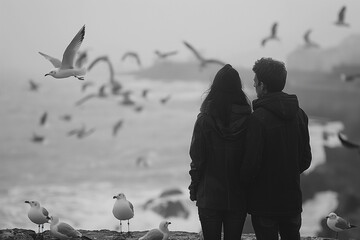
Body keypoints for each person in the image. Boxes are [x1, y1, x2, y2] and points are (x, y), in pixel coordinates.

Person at [239, 57, 312, 240]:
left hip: (264, 204)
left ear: (263, 85)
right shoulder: (300, 114)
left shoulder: (257, 119)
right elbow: (305, 160)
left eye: (255, 82)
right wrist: (287, 173)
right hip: (292, 200)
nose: (254, 86)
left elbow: (250, 166)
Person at [188, 64, 251, 240]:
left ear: (214, 88)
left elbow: (197, 159)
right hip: (238, 195)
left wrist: (194, 189)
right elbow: (252, 159)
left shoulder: (204, 120)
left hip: (209, 196)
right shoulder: (249, 121)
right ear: (238, 88)